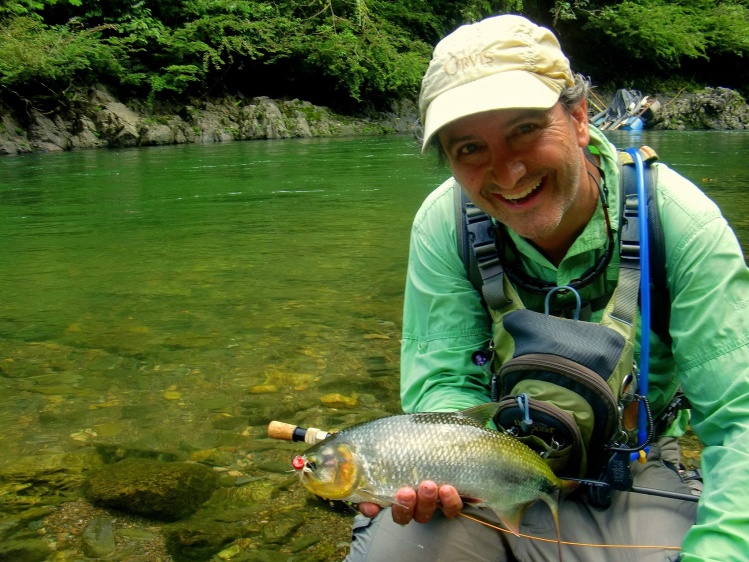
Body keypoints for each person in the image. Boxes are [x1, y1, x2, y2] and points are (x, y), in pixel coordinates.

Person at [343, 13, 749, 562]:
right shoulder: (443, 223)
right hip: (488, 465)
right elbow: (442, 385)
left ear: (580, 117)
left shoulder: (679, 222)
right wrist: (441, 468)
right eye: (469, 149)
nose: (506, 172)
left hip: (635, 469)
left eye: (525, 130)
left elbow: (737, 424)